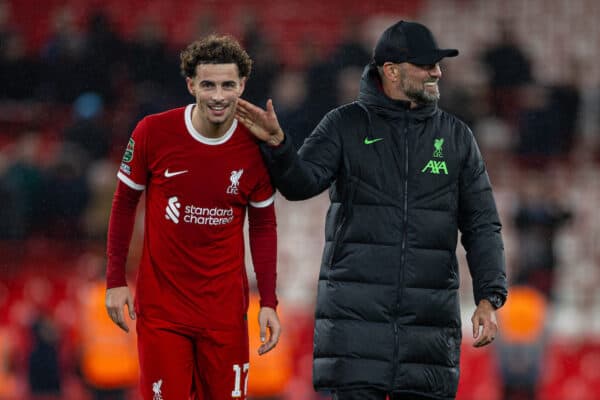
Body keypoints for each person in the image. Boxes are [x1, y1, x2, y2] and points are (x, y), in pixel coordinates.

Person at [236, 20, 507, 400]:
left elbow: (482, 224)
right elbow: (299, 185)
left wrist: (488, 296)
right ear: (392, 71)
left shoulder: (456, 136)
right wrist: (279, 146)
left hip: (427, 337)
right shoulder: (344, 125)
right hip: (354, 333)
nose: (437, 72)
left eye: (437, 65)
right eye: (426, 65)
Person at [105, 34, 281, 400]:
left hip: (225, 315)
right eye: (208, 85)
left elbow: (263, 225)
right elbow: (124, 203)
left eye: (228, 85)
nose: (218, 95)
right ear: (191, 85)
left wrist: (267, 302)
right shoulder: (153, 132)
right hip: (163, 312)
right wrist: (114, 279)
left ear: (242, 85)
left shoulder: (255, 147)